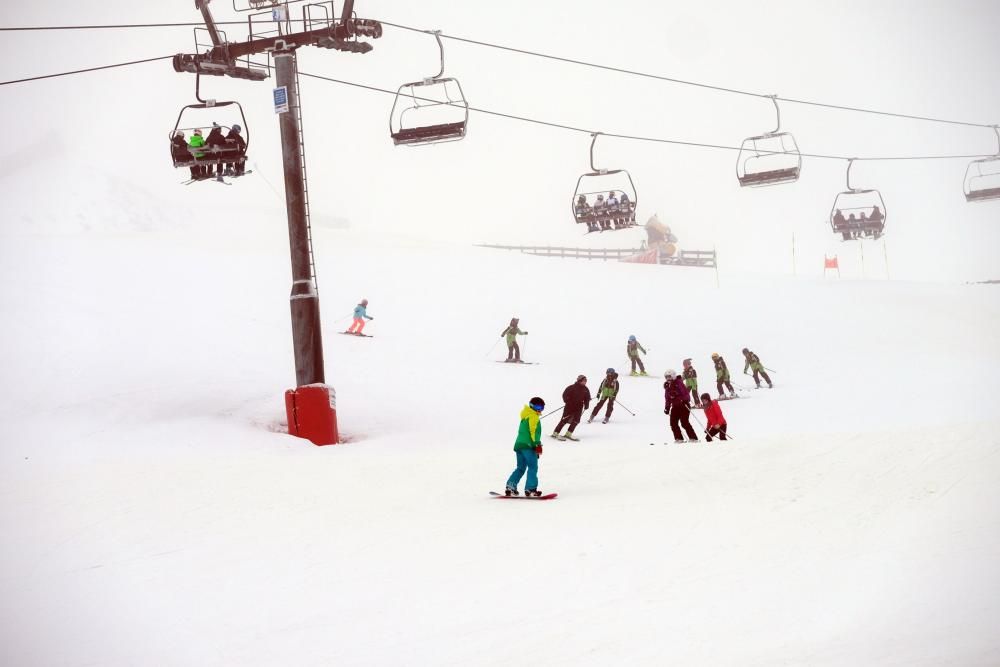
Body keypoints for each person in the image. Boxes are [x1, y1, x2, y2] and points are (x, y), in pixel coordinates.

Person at [505, 396, 545, 496]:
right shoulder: (533, 417)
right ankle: (531, 489)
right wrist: (537, 444)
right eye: (538, 407)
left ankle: (511, 485)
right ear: (532, 406)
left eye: (542, 408)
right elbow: (533, 432)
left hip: (519, 445)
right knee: (532, 467)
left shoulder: (525, 416)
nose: (540, 410)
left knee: (520, 468)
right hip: (528, 445)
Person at [552, 375, 590, 441]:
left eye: (585, 381)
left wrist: (586, 405)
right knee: (564, 420)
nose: (585, 382)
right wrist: (568, 401)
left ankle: (568, 433)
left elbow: (587, 398)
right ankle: (555, 433)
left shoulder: (585, 389)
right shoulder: (571, 387)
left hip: (579, 407)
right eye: (583, 381)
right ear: (579, 380)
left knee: (576, 420)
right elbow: (564, 395)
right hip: (570, 406)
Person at [664, 369, 698, 443]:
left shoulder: (679, 383)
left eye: (669, 377)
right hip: (675, 407)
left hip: (683, 405)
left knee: (684, 422)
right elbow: (667, 398)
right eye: (666, 377)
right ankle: (679, 438)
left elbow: (687, 395)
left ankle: (693, 438)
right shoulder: (667, 386)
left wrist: (678, 396)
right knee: (673, 423)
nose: (668, 379)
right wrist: (667, 407)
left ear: (673, 376)